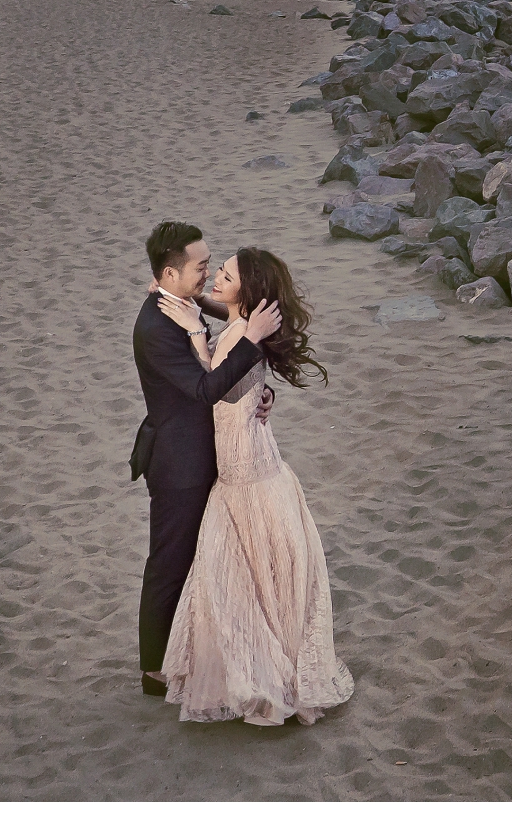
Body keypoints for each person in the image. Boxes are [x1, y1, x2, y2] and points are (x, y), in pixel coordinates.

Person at [154, 247, 353, 725]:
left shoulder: (244, 333)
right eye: (217, 271)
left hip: (250, 477)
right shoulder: (241, 327)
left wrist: (195, 332)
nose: (217, 278)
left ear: (248, 291)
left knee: (245, 584)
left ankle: (266, 682)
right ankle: (253, 676)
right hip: (245, 473)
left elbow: (214, 386)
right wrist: (186, 302)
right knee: (242, 583)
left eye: (226, 275)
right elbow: (235, 357)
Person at [132, 222, 280, 697]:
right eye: (200, 266)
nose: (208, 272)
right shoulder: (156, 328)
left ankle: (193, 654)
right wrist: (253, 339)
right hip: (180, 463)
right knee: (170, 564)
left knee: (206, 562)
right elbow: (202, 389)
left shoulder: (181, 303)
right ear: (170, 272)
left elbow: (221, 344)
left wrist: (262, 388)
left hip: (211, 453)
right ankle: (154, 672)